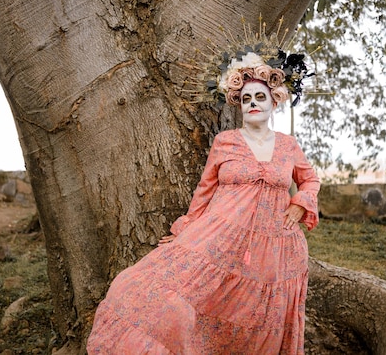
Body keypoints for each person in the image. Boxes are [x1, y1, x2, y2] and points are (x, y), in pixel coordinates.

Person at [87, 51, 320, 354]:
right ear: (238, 103)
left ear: (274, 101)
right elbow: (205, 189)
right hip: (222, 233)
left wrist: (300, 202)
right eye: (246, 98)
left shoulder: (288, 146)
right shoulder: (226, 142)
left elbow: (311, 179)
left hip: (275, 245)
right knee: (141, 284)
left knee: (257, 315)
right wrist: (187, 226)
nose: (253, 103)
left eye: (260, 97)